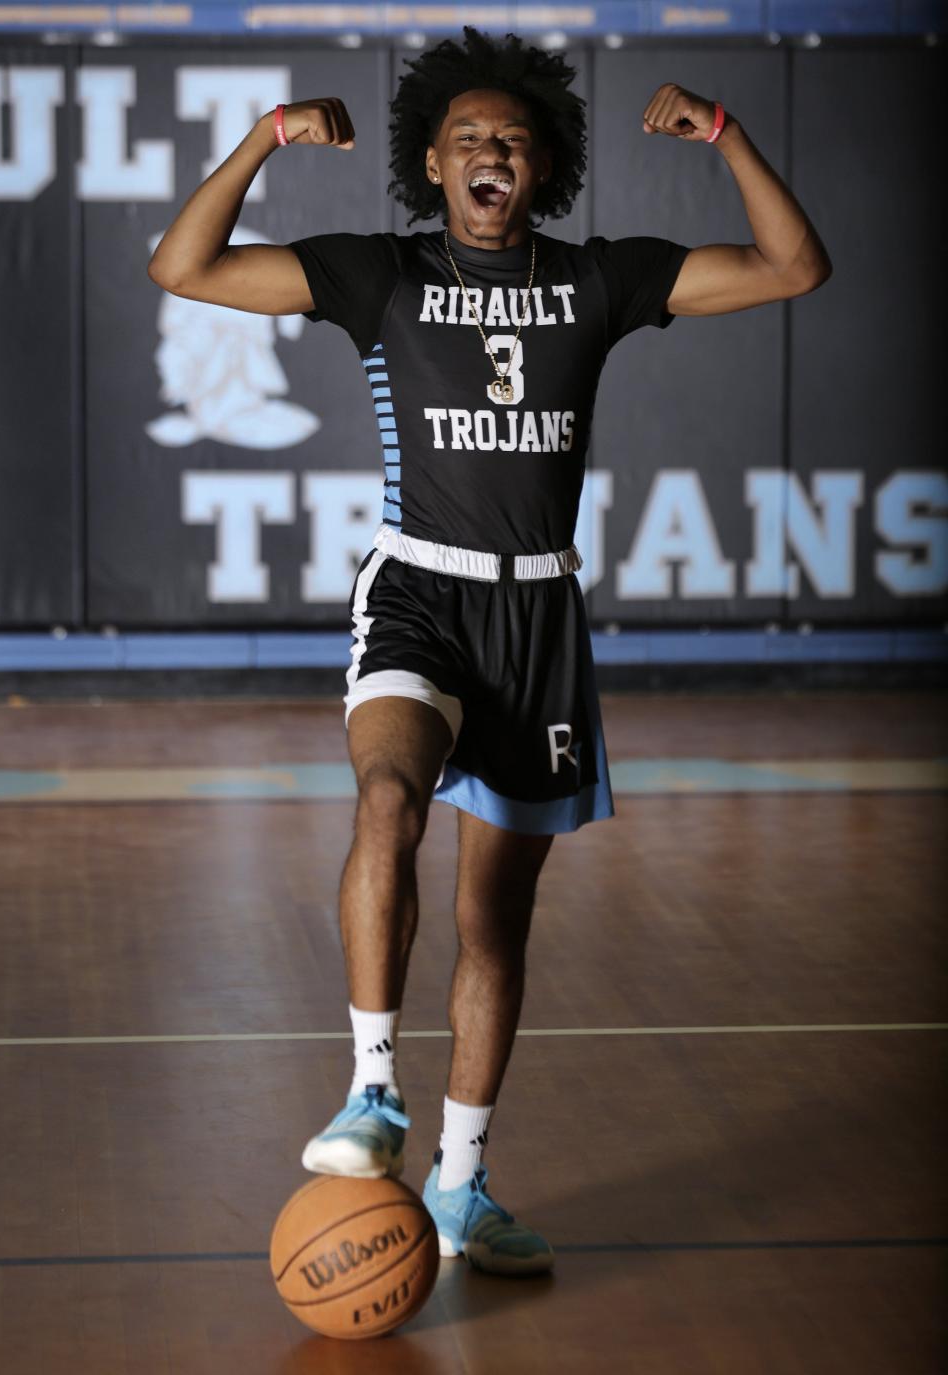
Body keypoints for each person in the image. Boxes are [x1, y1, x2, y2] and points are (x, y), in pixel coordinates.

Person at [148, 27, 830, 1276]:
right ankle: (372, 1093)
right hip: (420, 587)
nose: (489, 150)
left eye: (512, 136)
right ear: (430, 162)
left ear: (546, 163)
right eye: (465, 136)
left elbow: (795, 265)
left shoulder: (599, 279)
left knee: (493, 927)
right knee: (388, 795)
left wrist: (726, 136)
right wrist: (264, 139)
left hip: (538, 618)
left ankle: (462, 1187)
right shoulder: (379, 273)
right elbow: (181, 266)